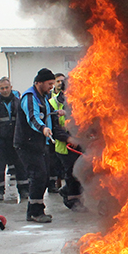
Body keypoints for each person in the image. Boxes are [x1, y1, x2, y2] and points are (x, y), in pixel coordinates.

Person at [15, 68, 56, 223]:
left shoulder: (43, 97)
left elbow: (47, 114)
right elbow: (33, 117)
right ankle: (34, 212)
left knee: (44, 177)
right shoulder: (30, 97)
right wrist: (43, 128)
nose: (51, 87)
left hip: (39, 144)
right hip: (27, 144)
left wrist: (56, 113)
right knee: (38, 176)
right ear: (39, 82)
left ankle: (36, 209)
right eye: (49, 83)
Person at [0, 77, 27, 203]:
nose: (4, 90)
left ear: (11, 87)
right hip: (0, 141)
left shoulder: (18, 102)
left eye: (6, 87)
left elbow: (24, 121)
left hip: (16, 140)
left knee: (20, 167)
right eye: (2, 88)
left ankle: (24, 190)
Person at [48, 78, 85, 211]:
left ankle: (74, 195)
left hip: (80, 144)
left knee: (82, 172)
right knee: (71, 173)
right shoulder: (53, 103)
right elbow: (54, 127)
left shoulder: (80, 102)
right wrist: (69, 139)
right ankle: (72, 200)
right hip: (64, 147)